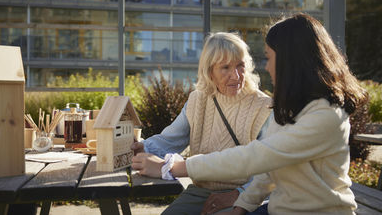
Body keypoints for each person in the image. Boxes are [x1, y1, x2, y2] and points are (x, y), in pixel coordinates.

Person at [132, 13, 367, 215]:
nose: (265, 66)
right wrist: (241, 207)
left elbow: (256, 157)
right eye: (225, 67)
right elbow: (270, 169)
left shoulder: (324, 115)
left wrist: (173, 167)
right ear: (209, 72)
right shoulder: (295, 107)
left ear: (291, 61)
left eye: (269, 57)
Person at [131, 32, 272, 215]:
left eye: (240, 65)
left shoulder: (264, 107)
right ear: (209, 71)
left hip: (245, 194)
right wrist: (137, 147)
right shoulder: (198, 100)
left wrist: (239, 194)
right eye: (225, 68)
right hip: (201, 192)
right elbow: (169, 141)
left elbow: (270, 170)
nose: (236, 75)